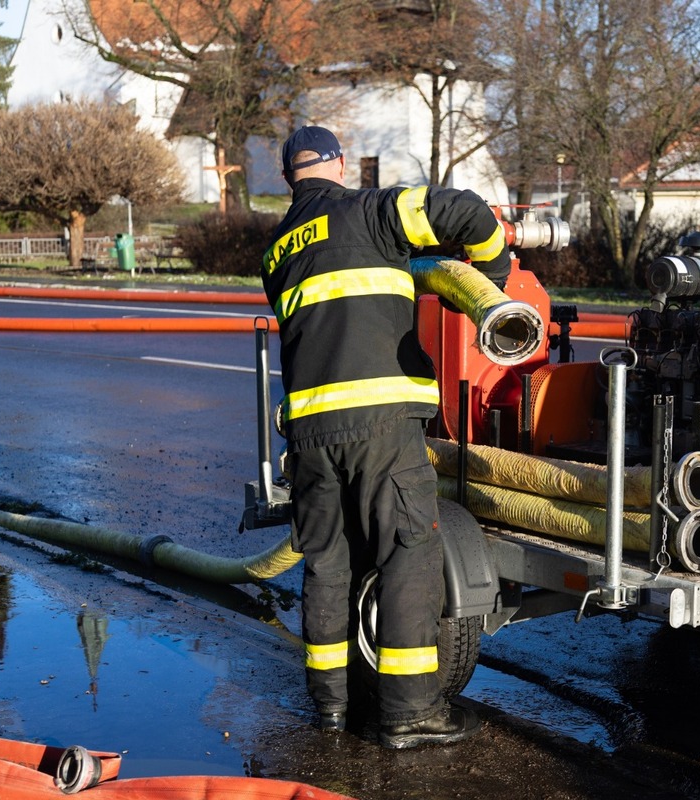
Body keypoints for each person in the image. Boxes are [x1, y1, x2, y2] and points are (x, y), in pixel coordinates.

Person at [262, 126, 510, 750]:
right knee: (407, 554)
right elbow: (467, 211)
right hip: (382, 427)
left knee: (327, 566)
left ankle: (331, 709)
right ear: (340, 165)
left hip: (312, 436)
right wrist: (496, 273)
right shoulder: (371, 211)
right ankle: (410, 712)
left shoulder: (277, 251)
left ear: (289, 177)